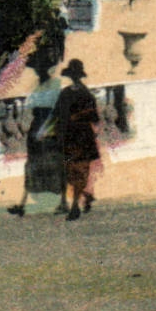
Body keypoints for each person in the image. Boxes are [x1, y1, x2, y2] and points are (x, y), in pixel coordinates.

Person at [7, 57, 67, 217]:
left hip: (51, 127)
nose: (38, 71)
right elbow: (31, 108)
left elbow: (58, 111)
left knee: (56, 164)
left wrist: (46, 130)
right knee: (32, 164)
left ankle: (63, 202)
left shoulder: (56, 85)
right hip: (36, 125)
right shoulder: (35, 86)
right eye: (37, 69)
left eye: (41, 68)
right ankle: (22, 204)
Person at [55, 58, 101, 221]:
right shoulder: (72, 93)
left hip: (77, 136)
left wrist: (75, 117)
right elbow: (57, 114)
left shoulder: (78, 93)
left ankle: (75, 206)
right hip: (75, 136)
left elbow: (94, 115)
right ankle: (85, 195)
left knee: (78, 171)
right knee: (72, 172)